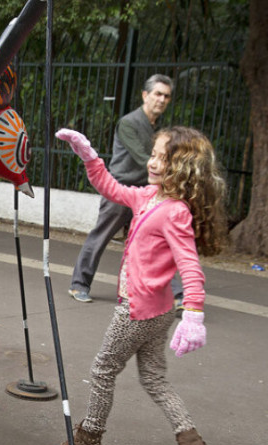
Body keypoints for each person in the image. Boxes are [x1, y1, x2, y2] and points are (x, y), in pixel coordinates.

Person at [50, 126, 226, 445]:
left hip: (137, 310)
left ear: (183, 168)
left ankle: (88, 439)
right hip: (158, 311)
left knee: (102, 370)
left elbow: (190, 265)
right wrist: (90, 156)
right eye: (154, 154)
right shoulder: (148, 196)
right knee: (154, 379)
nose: (153, 163)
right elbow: (111, 188)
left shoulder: (175, 212)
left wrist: (194, 314)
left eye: (164, 159)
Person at [69, 74, 183, 306]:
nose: (161, 100)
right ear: (145, 95)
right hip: (120, 190)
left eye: (166, 96)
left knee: (160, 242)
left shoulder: (160, 129)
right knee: (101, 236)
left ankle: (178, 295)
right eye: (157, 94)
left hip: (147, 192)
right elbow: (142, 158)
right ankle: (79, 284)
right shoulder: (129, 123)